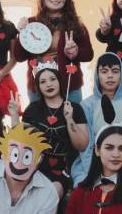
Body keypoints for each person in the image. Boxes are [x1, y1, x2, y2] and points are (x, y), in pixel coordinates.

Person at [9, 65, 88, 197]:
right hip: (33, 165)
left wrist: (70, 120)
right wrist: (14, 115)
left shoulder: (74, 108)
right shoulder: (33, 109)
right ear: (38, 87)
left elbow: (82, 145)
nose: (48, 84)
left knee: (51, 192)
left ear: (59, 81)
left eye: (52, 79)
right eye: (43, 82)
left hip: (63, 168)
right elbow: (19, 142)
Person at [70, 52, 122, 187]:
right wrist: (95, 171)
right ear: (97, 75)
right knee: (87, 191)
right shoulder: (86, 105)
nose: (110, 76)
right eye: (104, 71)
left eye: (115, 71)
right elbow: (87, 146)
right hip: (92, 166)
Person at [14, 0, 93, 103]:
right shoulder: (31, 23)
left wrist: (75, 51)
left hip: (69, 86)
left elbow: (88, 55)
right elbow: (19, 56)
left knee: (72, 121)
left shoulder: (76, 24)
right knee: (39, 122)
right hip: (39, 85)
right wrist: (20, 33)